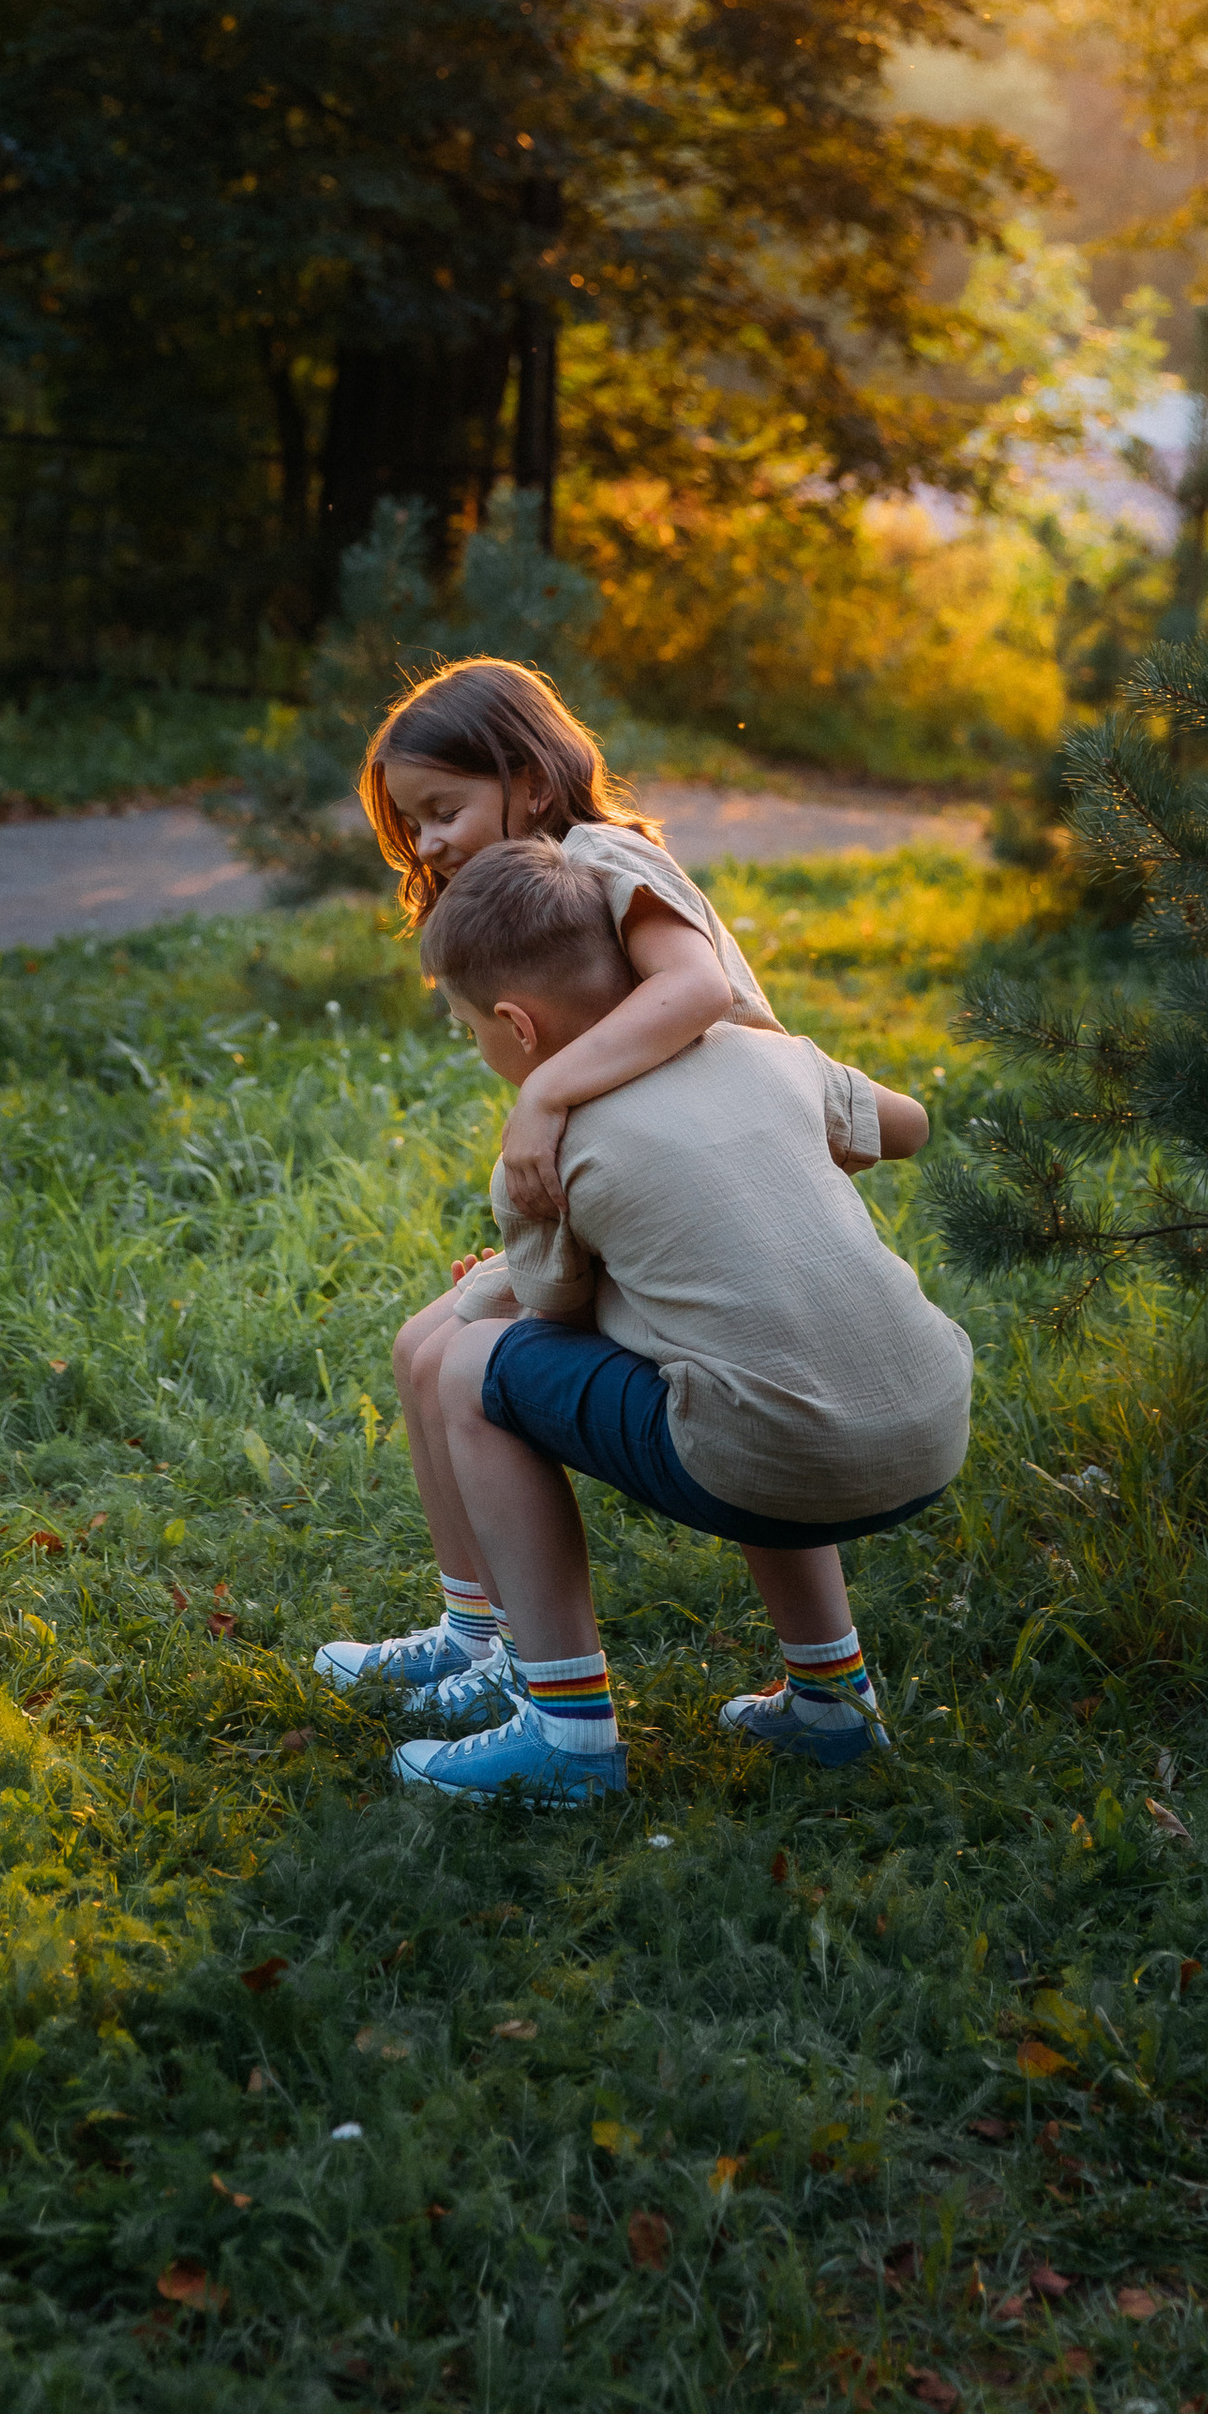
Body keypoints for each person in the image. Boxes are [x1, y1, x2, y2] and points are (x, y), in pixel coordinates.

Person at [318, 834, 971, 1801]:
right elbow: (909, 1123)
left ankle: (566, 1738)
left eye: (470, 1032)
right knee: (757, 1354)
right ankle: (834, 1705)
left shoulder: (547, 1152)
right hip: (931, 1423)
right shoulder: (770, 1054)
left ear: (519, 1026)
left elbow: (555, 1316)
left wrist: (493, 1285)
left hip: (772, 1461)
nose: (478, 1050)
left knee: (470, 1367)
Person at [311, 654, 889, 1725]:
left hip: (732, 1187)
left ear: (528, 779)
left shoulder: (603, 854)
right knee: (419, 1346)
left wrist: (542, 1100)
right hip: (655, 1201)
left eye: (443, 810)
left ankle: (537, 1669)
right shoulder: (538, 898)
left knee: (462, 1357)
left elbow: (697, 988)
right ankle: (472, 1632)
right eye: (412, 828)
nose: (428, 843)